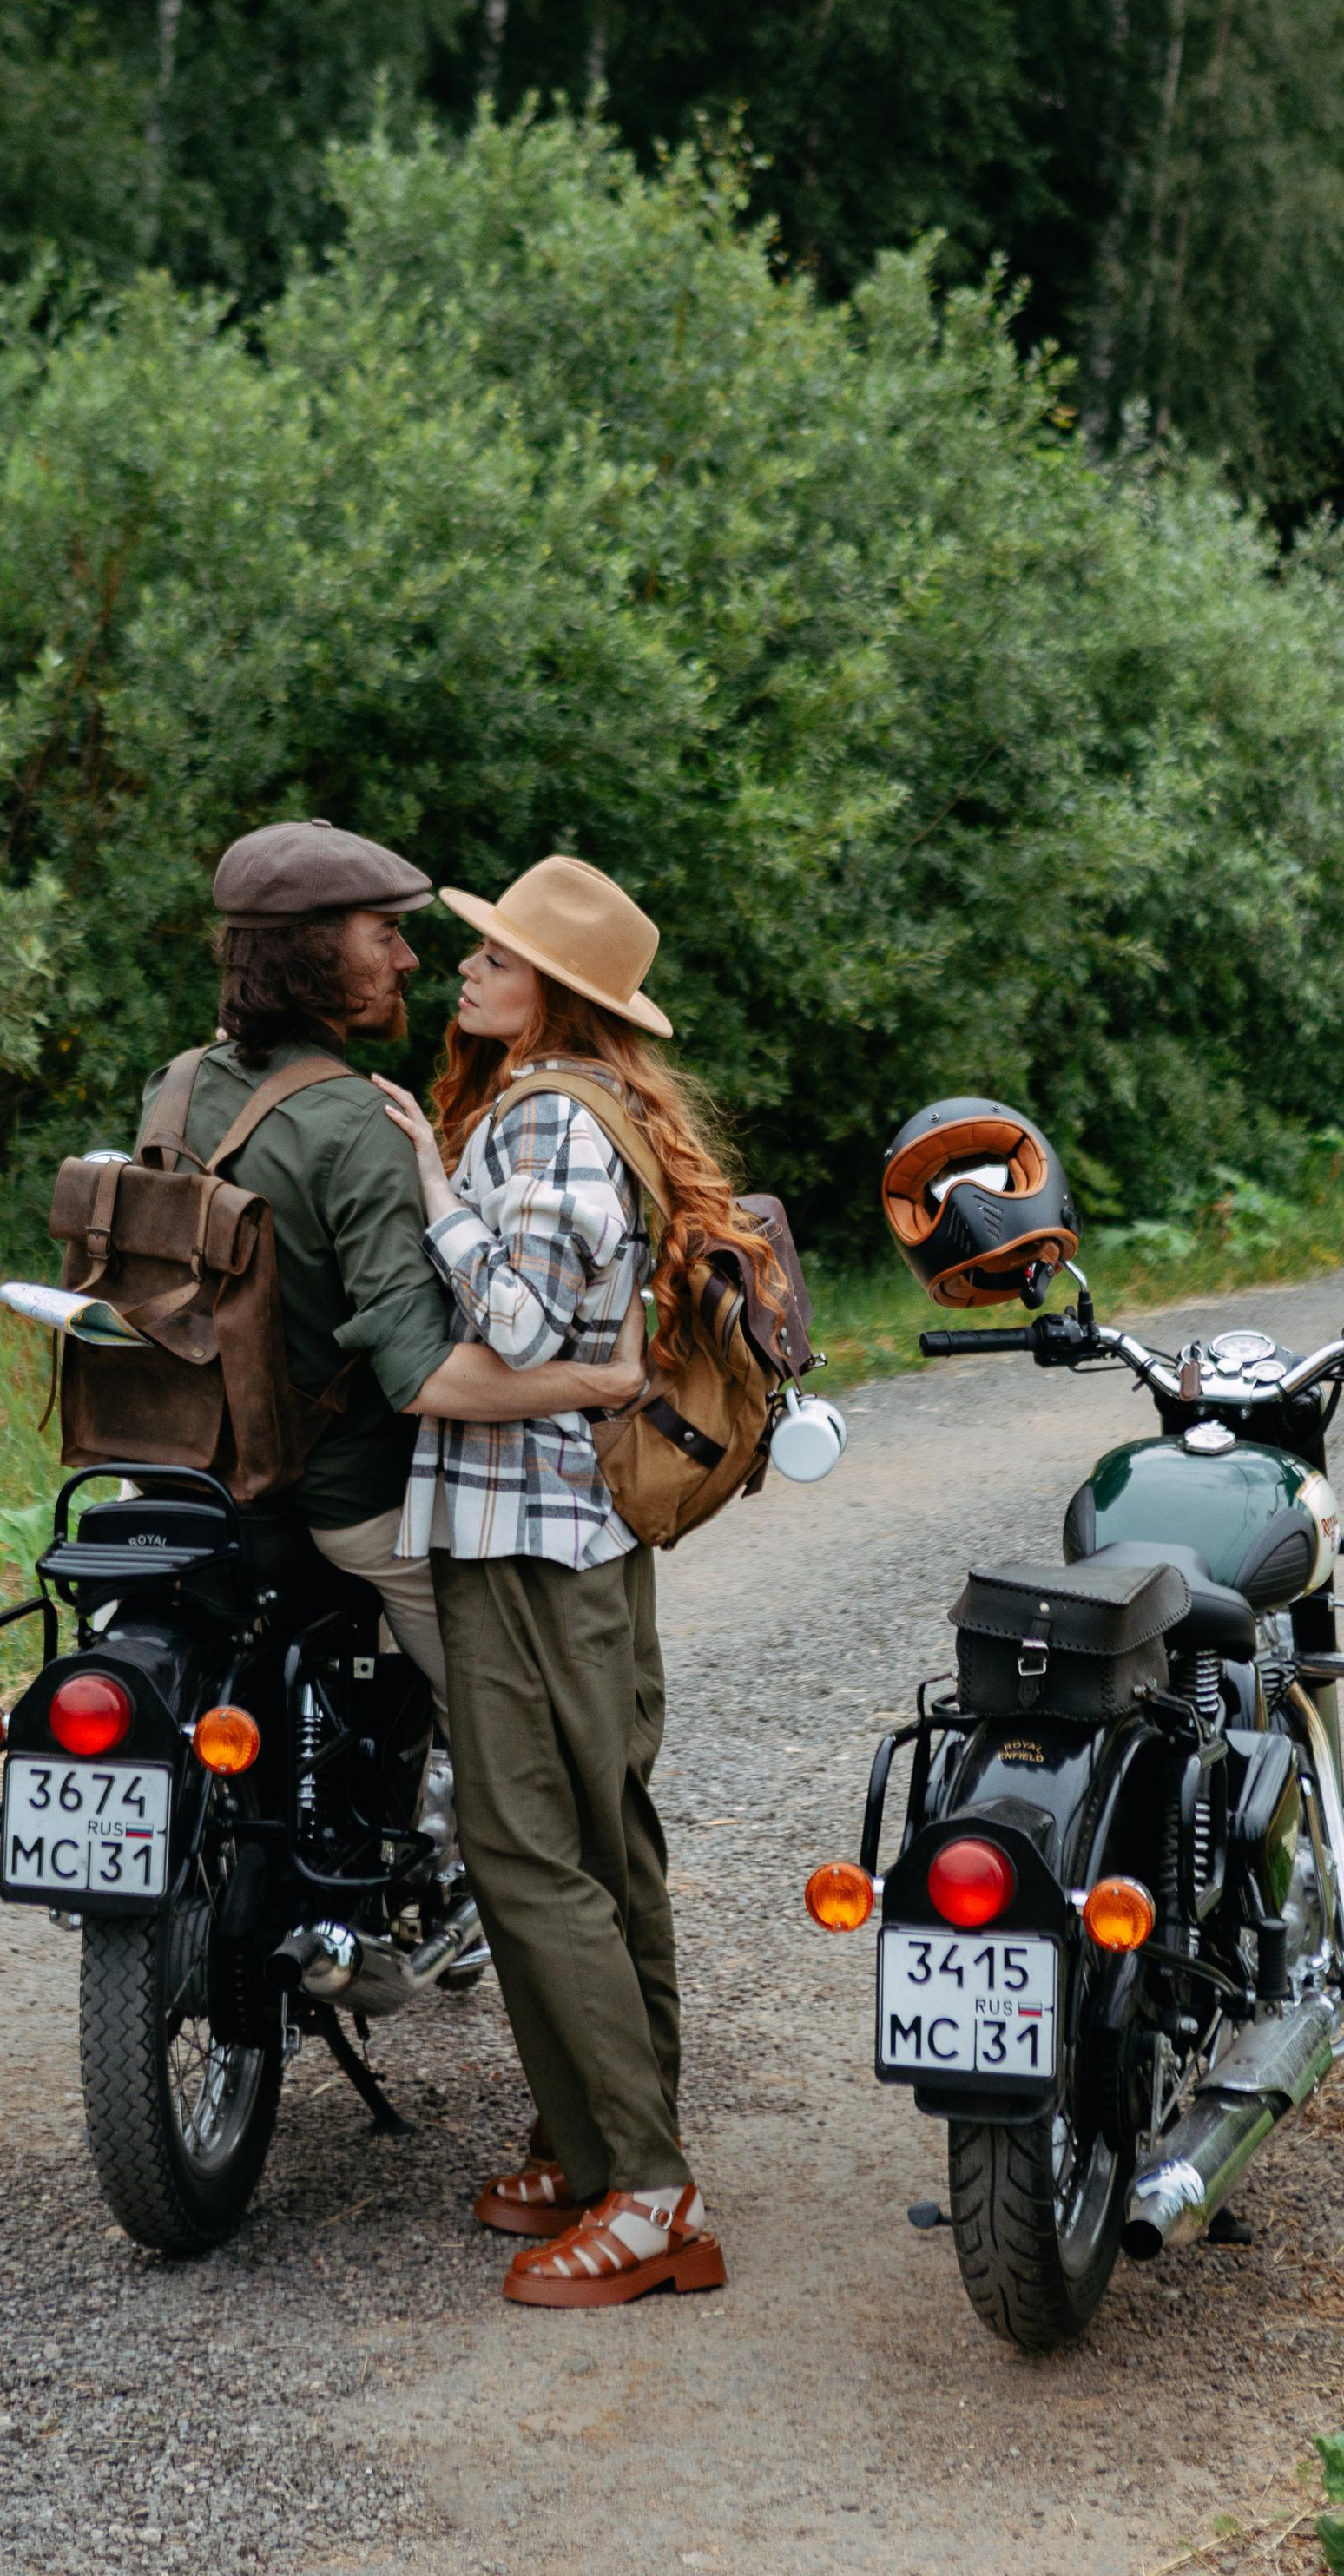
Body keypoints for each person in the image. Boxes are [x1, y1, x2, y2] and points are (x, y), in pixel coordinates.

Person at [379, 853, 777, 2309]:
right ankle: (596, 2138)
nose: (466, 970)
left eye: (492, 957)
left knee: (527, 1850)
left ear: (545, 990)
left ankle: (651, 2196)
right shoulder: (581, 1109)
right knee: (603, 1846)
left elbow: (523, 1318)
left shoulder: (537, 1122)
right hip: (579, 1538)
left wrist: (431, 1180)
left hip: (525, 1535)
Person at [144, 821, 649, 1871]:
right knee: (513, 1732)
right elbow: (421, 1377)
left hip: (193, 1466)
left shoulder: (179, 1084)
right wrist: (600, 1377)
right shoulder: (355, 1125)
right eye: (386, 935)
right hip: (348, 1493)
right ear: (312, 950)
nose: (412, 959)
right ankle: (469, 1853)